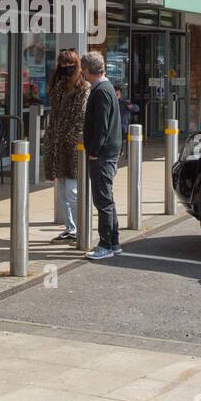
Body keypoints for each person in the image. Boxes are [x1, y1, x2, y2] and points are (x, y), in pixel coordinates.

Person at [43, 49, 89, 242]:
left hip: (71, 146)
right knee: (61, 192)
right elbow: (54, 114)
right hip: (56, 144)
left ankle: (81, 228)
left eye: (69, 64)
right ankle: (70, 227)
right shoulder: (59, 85)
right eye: (62, 63)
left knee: (72, 191)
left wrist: (70, 138)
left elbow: (81, 116)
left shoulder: (83, 87)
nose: (66, 67)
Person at [80, 51, 122, 260]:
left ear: (87, 70)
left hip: (103, 155)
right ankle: (113, 242)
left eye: (82, 70)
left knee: (102, 200)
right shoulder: (105, 89)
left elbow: (101, 126)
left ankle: (106, 244)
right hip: (106, 153)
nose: (82, 74)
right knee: (107, 199)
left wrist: (94, 151)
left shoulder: (101, 91)